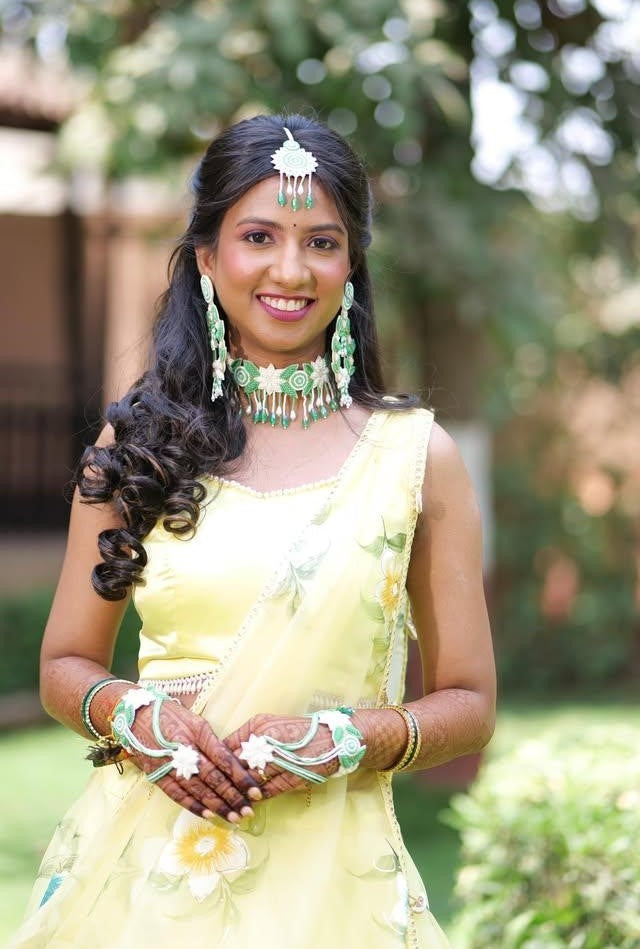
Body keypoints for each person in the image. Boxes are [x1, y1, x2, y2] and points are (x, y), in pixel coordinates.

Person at [11, 113, 495, 948]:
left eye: (322, 242)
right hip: (147, 886)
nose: (290, 270)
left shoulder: (416, 458)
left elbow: (470, 701)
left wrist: (341, 739)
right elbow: (64, 666)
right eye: (259, 236)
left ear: (351, 264)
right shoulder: (138, 446)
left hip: (337, 888)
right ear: (207, 255)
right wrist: (136, 718)